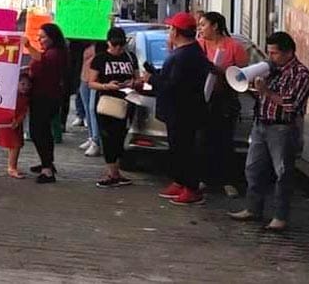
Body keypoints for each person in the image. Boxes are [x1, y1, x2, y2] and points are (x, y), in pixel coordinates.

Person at [229, 32, 309, 231]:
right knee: (253, 168)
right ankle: (253, 208)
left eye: (274, 53)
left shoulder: (302, 75)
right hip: (261, 124)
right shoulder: (271, 70)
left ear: (289, 53)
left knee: (282, 173)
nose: (271, 57)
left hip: (283, 128)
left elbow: (291, 104)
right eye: (269, 52)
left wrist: (266, 91)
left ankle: (280, 216)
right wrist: (254, 88)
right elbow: (262, 95)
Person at [149, 12, 211, 205]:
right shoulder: (184, 52)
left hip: (184, 111)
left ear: (176, 32)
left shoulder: (186, 55)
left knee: (185, 149)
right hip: (177, 111)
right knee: (177, 148)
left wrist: (152, 79)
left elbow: (174, 86)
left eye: (171, 29)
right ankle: (180, 181)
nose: (169, 32)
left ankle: (191, 188)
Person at [197, 12, 249, 197]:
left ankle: (227, 180)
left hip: (225, 99)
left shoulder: (234, 47)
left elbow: (243, 75)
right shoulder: (199, 45)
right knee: (202, 140)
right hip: (203, 98)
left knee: (224, 140)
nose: (200, 29)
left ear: (215, 26)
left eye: (203, 25)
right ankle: (203, 178)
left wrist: (222, 71)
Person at [88, 27, 141, 187]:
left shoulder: (130, 57)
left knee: (120, 136)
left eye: (121, 44)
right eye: (114, 44)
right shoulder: (100, 59)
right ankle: (112, 172)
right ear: (108, 43)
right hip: (107, 102)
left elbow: (137, 78)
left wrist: (133, 83)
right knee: (108, 137)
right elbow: (91, 82)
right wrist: (107, 86)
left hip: (127, 101)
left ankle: (115, 172)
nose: (118, 48)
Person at [23, 23, 68, 184]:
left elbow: (43, 62)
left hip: (45, 98)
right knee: (43, 132)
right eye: (39, 37)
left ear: (52, 38)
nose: (39, 40)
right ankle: (46, 162)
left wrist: (28, 46)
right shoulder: (52, 52)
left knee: (38, 132)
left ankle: (47, 169)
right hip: (43, 96)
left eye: (42, 37)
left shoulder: (55, 54)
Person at [0, 72, 32, 179]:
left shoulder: (24, 97)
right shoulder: (12, 96)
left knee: (15, 145)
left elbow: (24, 112)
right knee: (15, 145)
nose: (25, 87)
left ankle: (12, 165)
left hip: (16, 124)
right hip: (10, 123)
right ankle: (12, 167)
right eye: (22, 84)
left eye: (28, 85)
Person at [79, 41, 103, 156]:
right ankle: (91, 136)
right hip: (85, 78)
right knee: (88, 109)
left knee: (92, 109)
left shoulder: (102, 45)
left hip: (96, 79)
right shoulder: (85, 43)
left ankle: (96, 141)